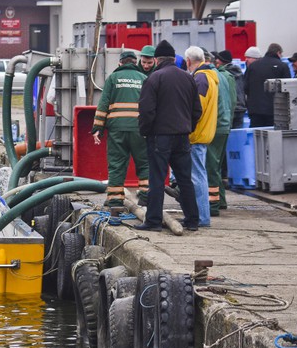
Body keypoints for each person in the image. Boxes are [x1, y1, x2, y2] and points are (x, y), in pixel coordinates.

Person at [137, 40, 202, 232]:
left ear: (157, 60)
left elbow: (147, 111)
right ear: (174, 58)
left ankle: (153, 221)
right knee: (184, 179)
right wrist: (187, 127)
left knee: (157, 179)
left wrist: (146, 132)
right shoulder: (188, 77)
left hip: (160, 137)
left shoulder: (154, 79)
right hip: (182, 136)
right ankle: (192, 220)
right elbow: (196, 110)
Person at [92, 50, 149, 208]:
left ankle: (115, 200)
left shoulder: (113, 78)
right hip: (139, 129)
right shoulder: (144, 79)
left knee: (117, 164)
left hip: (117, 129)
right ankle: (145, 196)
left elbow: (103, 104)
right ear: (135, 63)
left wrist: (98, 128)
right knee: (144, 163)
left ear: (120, 63)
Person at [185, 46, 218, 228]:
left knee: (197, 177)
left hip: (196, 135)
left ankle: (202, 217)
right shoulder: (209, 77)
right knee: (199, 175)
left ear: (188, 61)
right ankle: (200, 216)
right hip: (204, 133)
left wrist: (185, 126)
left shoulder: (201, 79)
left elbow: (196, 109)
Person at [208, 52, 236, 216]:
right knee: (216, 165)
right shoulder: (225, 77)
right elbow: (232, 102)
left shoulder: (211, 77)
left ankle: (215, 203)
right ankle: (221, 200)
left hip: (215, 126)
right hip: (224, 125)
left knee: (211, 166)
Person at [243, 43, 291, 127]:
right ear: (278, 53)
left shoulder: (253, 66)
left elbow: (245, 87)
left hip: (255, 110)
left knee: (257, 135)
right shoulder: (283, 66)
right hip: (275, 110)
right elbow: (287, 89)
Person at [213, 50, 246, 129]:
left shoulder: (223, 74)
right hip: (241, 108)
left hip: (230, 108)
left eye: (217, 59)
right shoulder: (239, 72)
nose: (216, 61)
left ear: (221, 61)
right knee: (238, 136)